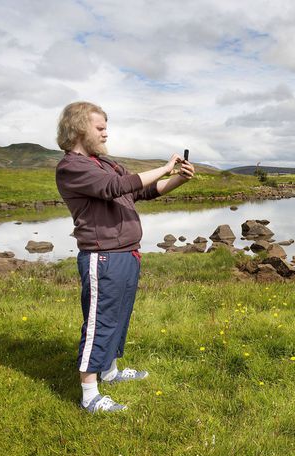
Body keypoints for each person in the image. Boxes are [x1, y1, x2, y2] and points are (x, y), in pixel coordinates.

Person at [55, 101, 194, 413]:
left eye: (106, 127)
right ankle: (90, 396)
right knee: (99, 322)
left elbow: (141, 191)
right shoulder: (72, 167)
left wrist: (178, 180)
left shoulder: (105, 162)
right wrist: (165, 166)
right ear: (79, 128)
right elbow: (115, 187)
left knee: (119, 318)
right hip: (102, 257)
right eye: (100, 127)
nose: (106, 133)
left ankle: (111, 372)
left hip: (127, 255)